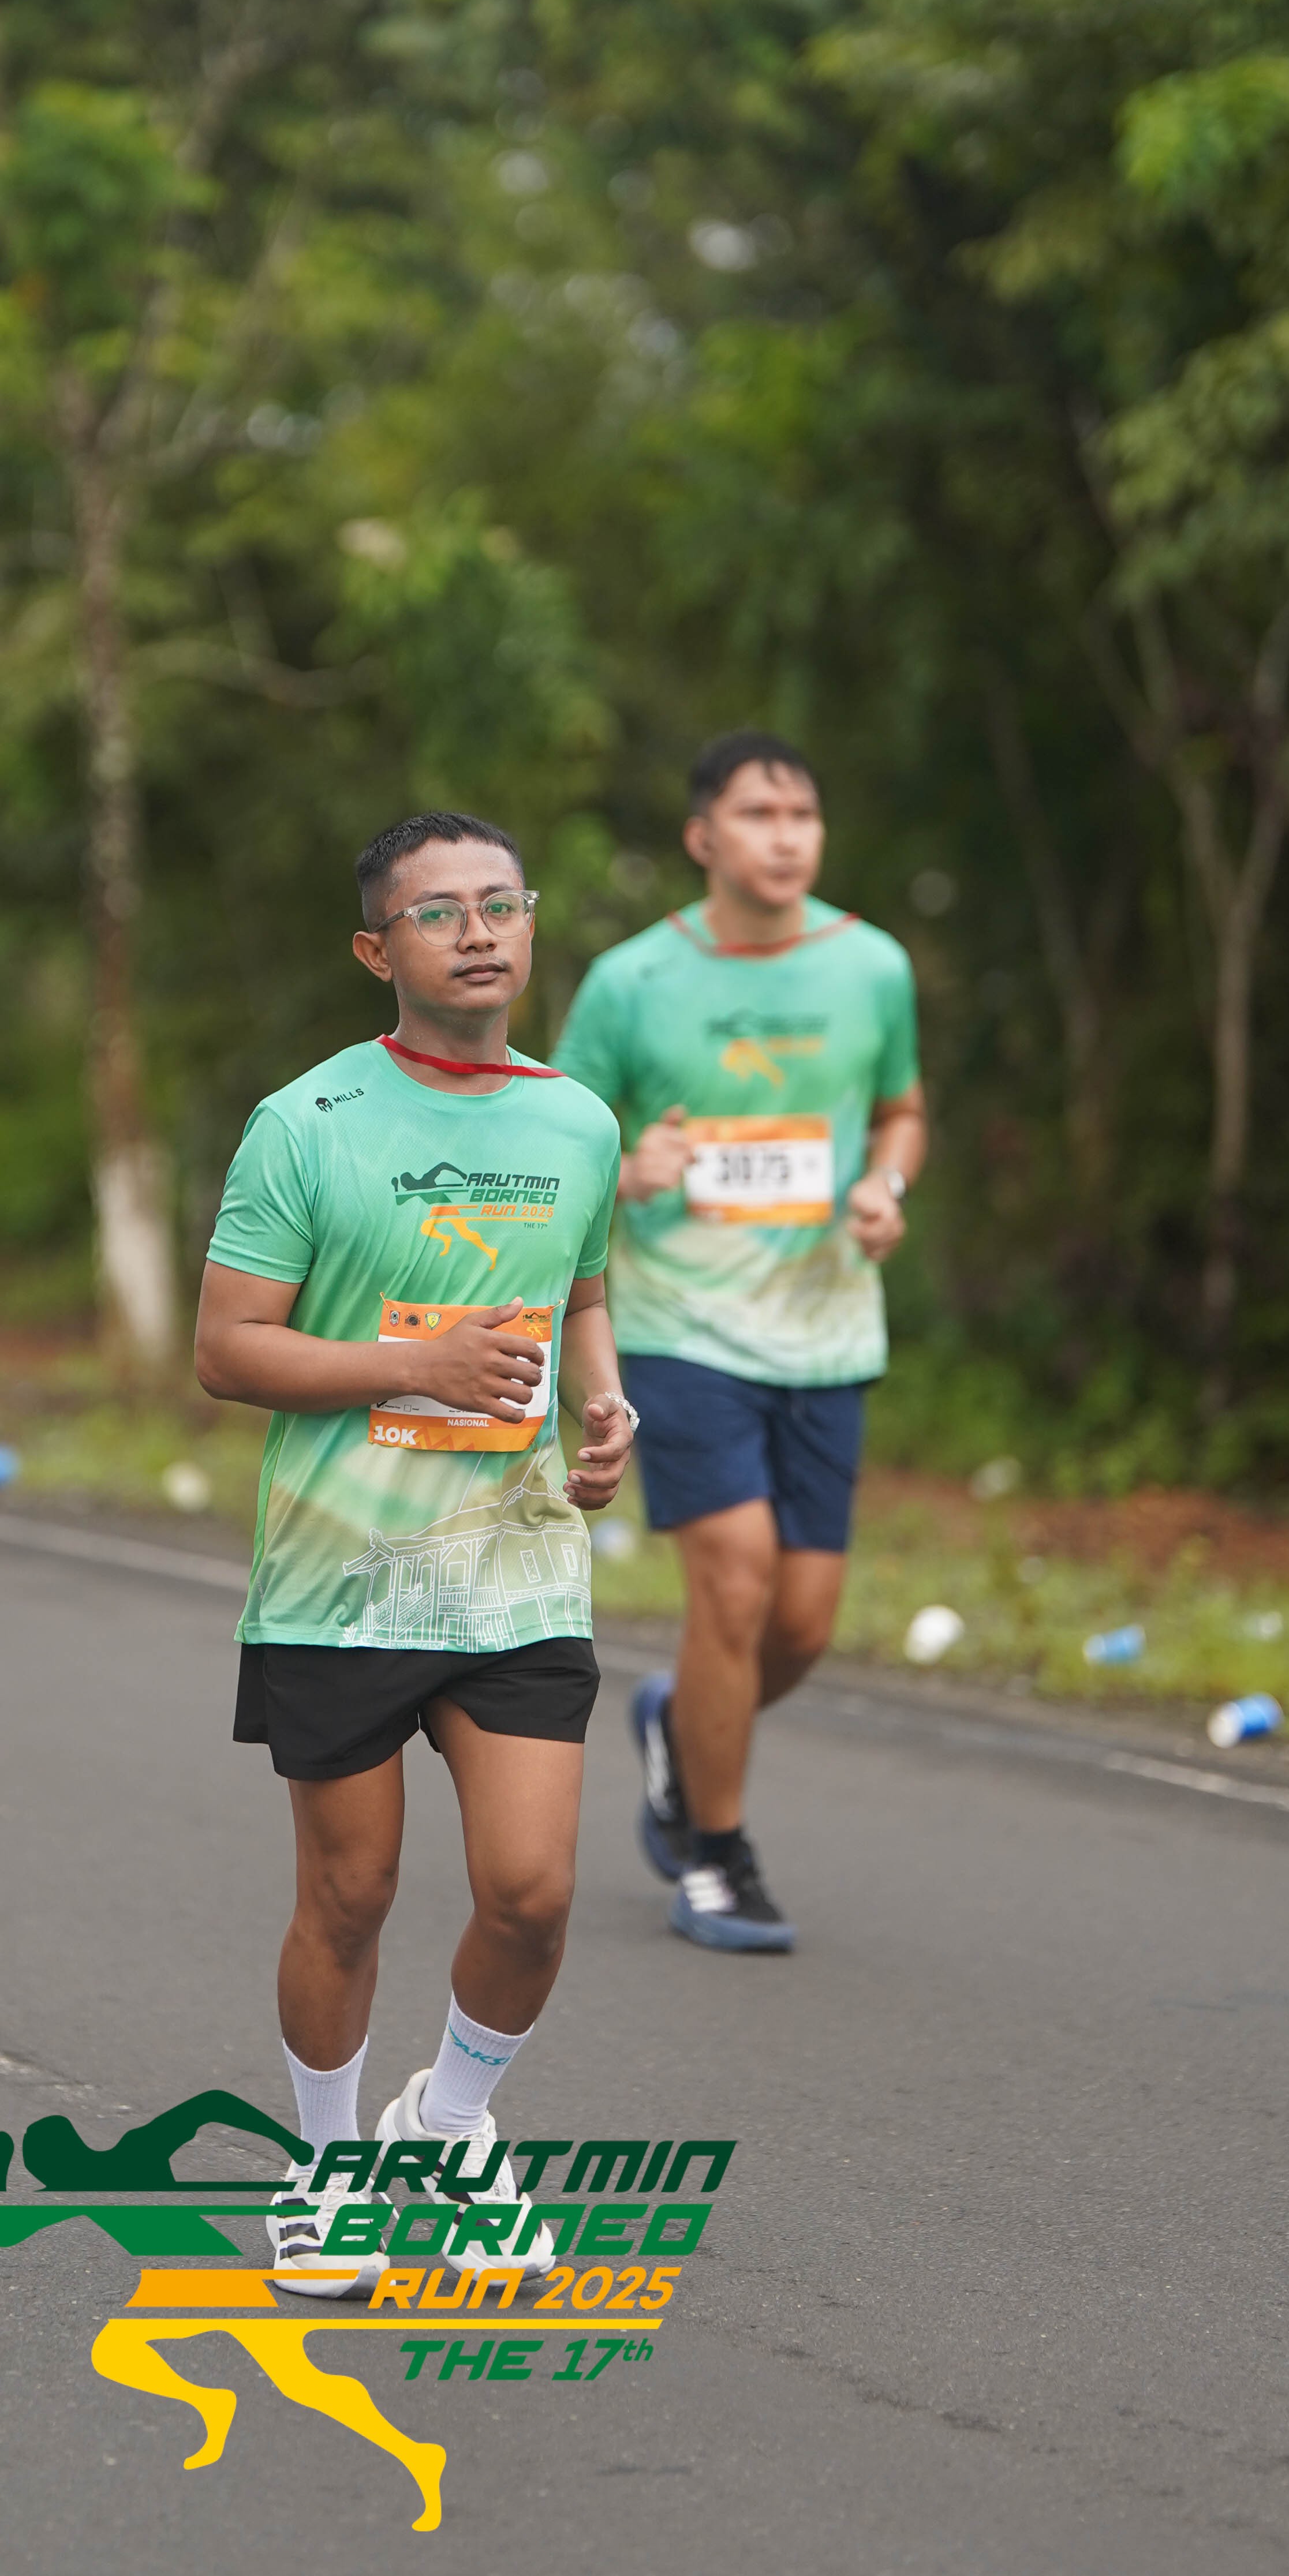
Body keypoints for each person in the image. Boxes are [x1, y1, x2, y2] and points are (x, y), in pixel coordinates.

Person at [195, 811, 633, 2299]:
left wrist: (602, 1409)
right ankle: (326, 2170)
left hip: (515, 1571)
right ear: (376, 951)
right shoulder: (305, 1123)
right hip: (340, 1574)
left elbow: (581, 1292)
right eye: (438, 912)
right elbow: (226, 1350)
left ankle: (446, 2126)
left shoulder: (577, 1122)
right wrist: (414, 1369)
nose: (479, 930)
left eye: (501, 902)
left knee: (532, 1892)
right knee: (351, 1893)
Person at [554, 731, 924, 1954]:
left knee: (800, 1625)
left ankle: (679, 1724)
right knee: (734, 1578)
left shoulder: (871, 965)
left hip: (826, 1330)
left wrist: (885, 1186)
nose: (785, 835)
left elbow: (901, 1111)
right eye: (758, 814)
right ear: (701, 837)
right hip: (678, 1325)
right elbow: (550, 1136)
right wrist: (626, 1165)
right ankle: (715, 1857)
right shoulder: (630, 981)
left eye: (802, 814)